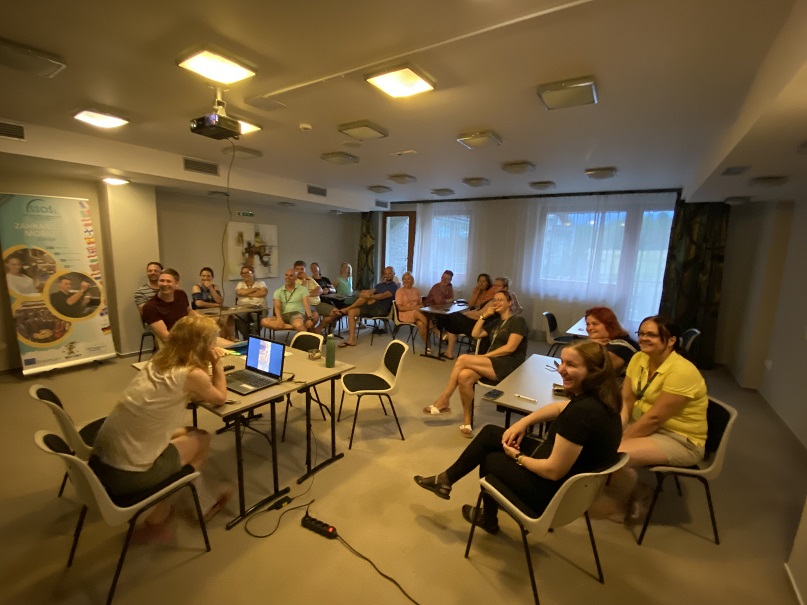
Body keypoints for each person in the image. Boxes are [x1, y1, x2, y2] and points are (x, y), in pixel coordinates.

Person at [414, 339, 623, 533]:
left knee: (490, 459)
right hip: (571, 485)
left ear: (593, 372)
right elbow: (561, 407)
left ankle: (488, 518)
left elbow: (552, 471)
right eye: (562, 362)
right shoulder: (603, 399)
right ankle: (445, 480)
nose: (561, 369)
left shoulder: (580, 414)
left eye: (571, 365)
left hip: (551, 494)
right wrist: (524, 422)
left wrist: (517, 457)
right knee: (491, 433)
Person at [89, 315, 229, 535]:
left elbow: (187, 393)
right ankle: (199, 506)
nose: (214, 345)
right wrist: (216, 363)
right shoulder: (191, 374)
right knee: (203, 439)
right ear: (202, 346)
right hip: (129, 476)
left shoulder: (158, 360)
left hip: (99, 462)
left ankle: (162, 506)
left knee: (189, 432)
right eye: (212, 342)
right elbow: (220, 398)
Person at [595, 315, 708, 522]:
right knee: (598, 437)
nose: (644, 338)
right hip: (645, 424)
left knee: (615, 452)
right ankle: (632, 487)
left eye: (652, 335)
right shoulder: (639, 358)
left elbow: (655, 418)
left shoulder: (682, 371)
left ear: (671, 340)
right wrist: (618, 427)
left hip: (679, 438)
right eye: (641, 333)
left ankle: (627, 499)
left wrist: (622, 438)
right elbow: (627, 401)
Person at [424, 290, 528, 437]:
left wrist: (485, 356)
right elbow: (475, 334)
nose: (496, 302)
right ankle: (467, 422)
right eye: (494, 300)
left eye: (500, 299)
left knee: (463, 359)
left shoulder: (518, 321)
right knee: (464, 376)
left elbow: (510, 348)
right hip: (492, 363)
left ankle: (444, 400)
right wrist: (484, 316)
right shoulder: (496, 322)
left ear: (510, 302)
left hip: (509, 366)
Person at [442, 276, 520, 360]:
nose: (495, 287)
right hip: (482, 321)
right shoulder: (497, 298)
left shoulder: (497, 301)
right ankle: (448, 349)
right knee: (453, 323)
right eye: (494, 285)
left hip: (483, 326)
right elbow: (474, 307)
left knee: (453, 316)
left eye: (498, 286)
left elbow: (480, 314)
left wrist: (465, 314)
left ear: (505, 288)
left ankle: (447, 345)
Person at [334, 266, 398, 347]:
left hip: (381, 310)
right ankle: (352, 339)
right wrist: (365, 293)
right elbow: (370, 291)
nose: (387, 275)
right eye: (386, 273)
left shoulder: (394, 286)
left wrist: (369, 297)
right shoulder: (380, 285)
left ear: (393, 274)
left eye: (389, 273)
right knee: (352, 312)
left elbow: (383, 295)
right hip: (371, 307)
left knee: (364, 298)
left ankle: (347, 308)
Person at [141, 268, 197, 343]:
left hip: (188, 334)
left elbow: (189, 311)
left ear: (176, 284)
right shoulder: (149, 307)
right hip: (173, 343)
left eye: (168, 281)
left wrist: (206, 321)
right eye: (161, 281)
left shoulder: (181, 294)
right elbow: (166, 338)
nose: (164, 284)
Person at [584, 306, 638, 376]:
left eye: (595, 324)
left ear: (609, 325)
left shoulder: (621, 346)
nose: (589, 328)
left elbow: (589, 371)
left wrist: (589, 345)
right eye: (587, 324)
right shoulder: (605, 341)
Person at [261, 268, 315, 333]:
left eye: (291, 276)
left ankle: (300, 329)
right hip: (283, 315)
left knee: (298, 324)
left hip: (297, 314)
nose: (288, 277)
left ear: (295, 278)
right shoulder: (278, 291)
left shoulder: (303, 289)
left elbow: (306, 305)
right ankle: (295, 327)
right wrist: (279, 319)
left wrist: (310, 318)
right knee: (264, 321)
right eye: (286, 275)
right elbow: (277, 307)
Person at [294, 260, 338, 334]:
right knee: (314, 316)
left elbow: (320, 290)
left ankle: (318, 329)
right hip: (306, 306)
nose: (300, 271)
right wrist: (305, 280)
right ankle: (310, 334)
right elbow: (302, 294)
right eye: (297, 269)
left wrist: (308, 294)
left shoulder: (310, 279)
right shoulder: (294, 281)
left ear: (305, 269)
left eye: (302, 269)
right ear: (294, 270)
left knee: (336, 312)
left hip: (318, 303)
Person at [191, 267, 235, 340]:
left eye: (208, 276)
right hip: (202, 312)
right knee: (219, 320)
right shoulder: (196, 287)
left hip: (215, 311)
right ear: (200, 276)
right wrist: (215, 305)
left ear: (212, 277)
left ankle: (231, 338)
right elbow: (199, 303)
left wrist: (211, 288)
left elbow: (220, 301)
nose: (206, 278)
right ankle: (222, 339)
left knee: (230, 317)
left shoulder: (215, 287)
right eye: (203, 276)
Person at [395, 272, 430, 348]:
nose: (406, 281)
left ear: (412, 280)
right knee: (416, 313)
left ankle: (428, 347)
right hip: (404, 313)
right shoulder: (399, 291)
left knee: (420, 324)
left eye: (408, 279)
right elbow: (400, 308)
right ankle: (436, 331)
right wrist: (413, 308)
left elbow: (421, 303)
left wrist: (420, 306)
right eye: (404, 279)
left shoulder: (416, 290)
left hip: (417, 313)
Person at [234, 265, 268, 338]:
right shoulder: (240, 284)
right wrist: (255, 289)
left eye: (247, 272)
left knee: (261, 319)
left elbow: (263, 293)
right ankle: (247, 337)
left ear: (253, 273)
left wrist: (246, 294)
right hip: (242, 308)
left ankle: (252, 336)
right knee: (236, 318)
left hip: (259, 308)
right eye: (243, 273)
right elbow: (239, 292)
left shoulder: (261, 283)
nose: (245, 274)